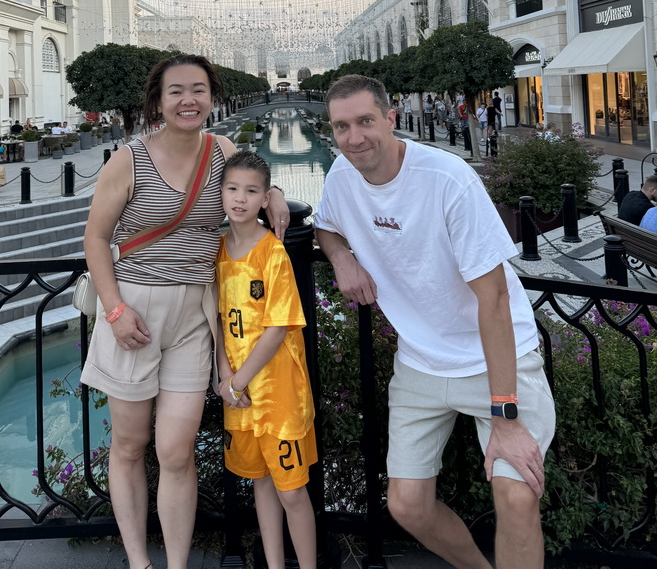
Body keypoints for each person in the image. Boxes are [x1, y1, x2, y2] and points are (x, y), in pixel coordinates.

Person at [314, 74, 555, 569]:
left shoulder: (446, 178)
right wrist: (340, 257)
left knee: (517, 498)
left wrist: (504, 415)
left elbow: (493, 302)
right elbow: (324, 224)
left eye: (365, 121)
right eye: (342, 127)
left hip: (494, 361)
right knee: (406, 504)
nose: (355, 137)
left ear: (391, 119)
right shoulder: (341, 174)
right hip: (421, 364)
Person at [79, 54, 290, 569]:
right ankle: (138, 562)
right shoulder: (129, 159)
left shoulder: (221, 151)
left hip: (196, 313)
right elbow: (96, 237)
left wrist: (278, 193)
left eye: (198, 89)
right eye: (176, 91)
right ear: (158, 100)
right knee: (129, 445)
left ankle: (175, 564)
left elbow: (255, 178)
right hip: (133, 310)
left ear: (212, 97)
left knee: (176, 450)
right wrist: (114, 311)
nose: (188, 100)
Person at [216, 152, 317, 569]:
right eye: (232, 188)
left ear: (265, 199)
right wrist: (225, 377)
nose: (239, 199)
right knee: (259, 481)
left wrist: (237, 382)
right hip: (238, 393)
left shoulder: (272, 253)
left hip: (277, 395)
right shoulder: (218, 249)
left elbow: (278, 328)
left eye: (251, 191)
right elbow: (218, 321)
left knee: (291, 490)